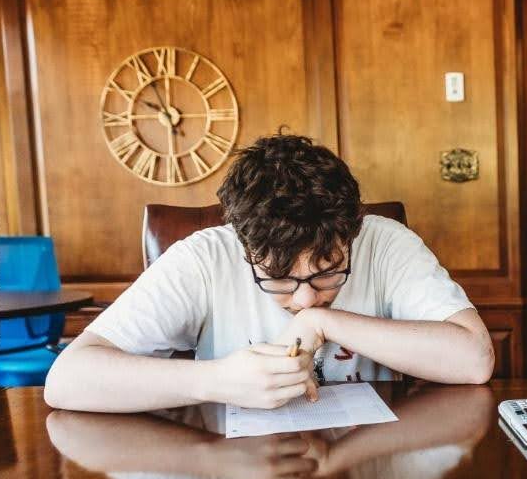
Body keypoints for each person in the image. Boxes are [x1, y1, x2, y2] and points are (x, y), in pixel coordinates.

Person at [45, 133, 494, 413]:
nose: (303, 300)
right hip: (239, 470)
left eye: (326, 273)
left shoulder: (384, 241)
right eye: (279, 279)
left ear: (352, 234)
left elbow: (474, 360)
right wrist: (215, 381)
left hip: (371, 465)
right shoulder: (203, 258)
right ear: (242, 244)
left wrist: (325, 321)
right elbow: (67, 381)